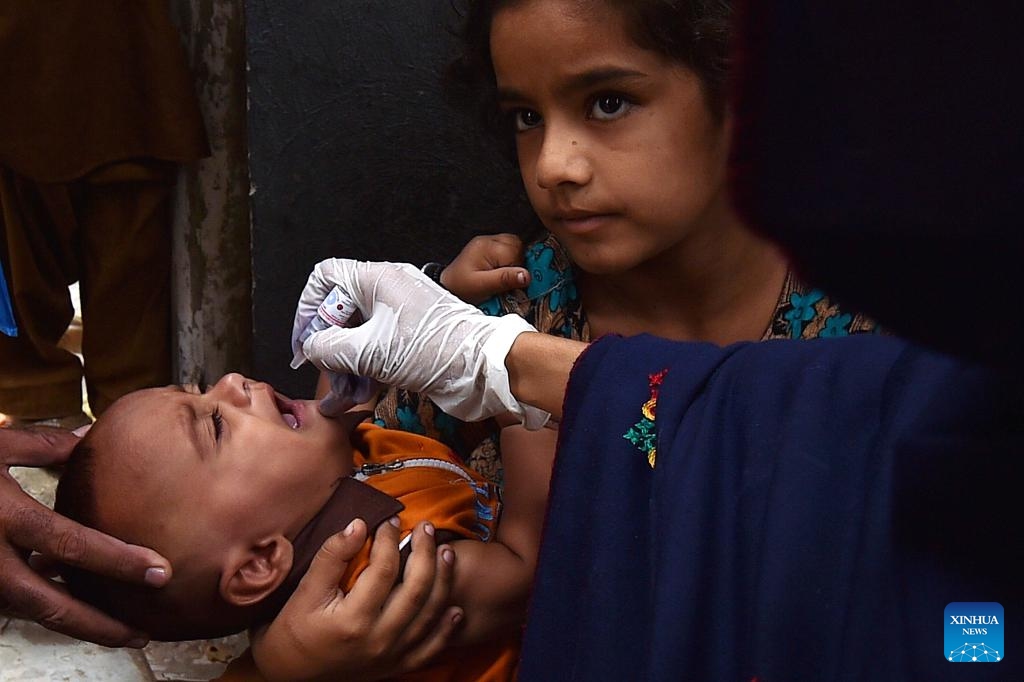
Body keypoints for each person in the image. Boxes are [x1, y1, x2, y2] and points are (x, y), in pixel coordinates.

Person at [369, 0, 876, 487]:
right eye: (527, 116)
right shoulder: (490, 323)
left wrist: (522, 364)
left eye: (607, 104)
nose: (552, 167)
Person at [55, 372, 553, 681]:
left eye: (201, 387)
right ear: (260, 563)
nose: (232, 382)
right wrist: (527, 409)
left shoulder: (325, 475)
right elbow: (526, 571)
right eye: (216, 425)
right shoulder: (379, 579)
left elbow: (339, 412)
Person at [0, 0, 209, 427]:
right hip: (63, 78)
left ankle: (115, 421)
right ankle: (53, 410)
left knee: (131, 374)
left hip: (125, 72)